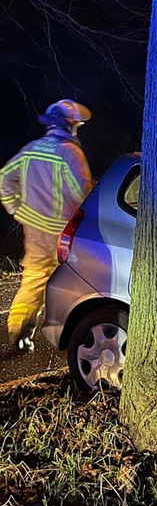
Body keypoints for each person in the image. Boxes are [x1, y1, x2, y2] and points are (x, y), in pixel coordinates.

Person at [0, 100, 93, 351]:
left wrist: (16, 209)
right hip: (62, 231)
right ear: (70, 126)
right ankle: (81, 333)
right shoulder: (70, 153)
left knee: (35, 278)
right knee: (84, 278)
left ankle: (18, 332)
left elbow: (4, 180)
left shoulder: (30, 150)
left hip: (34, 230)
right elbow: (81, 193)